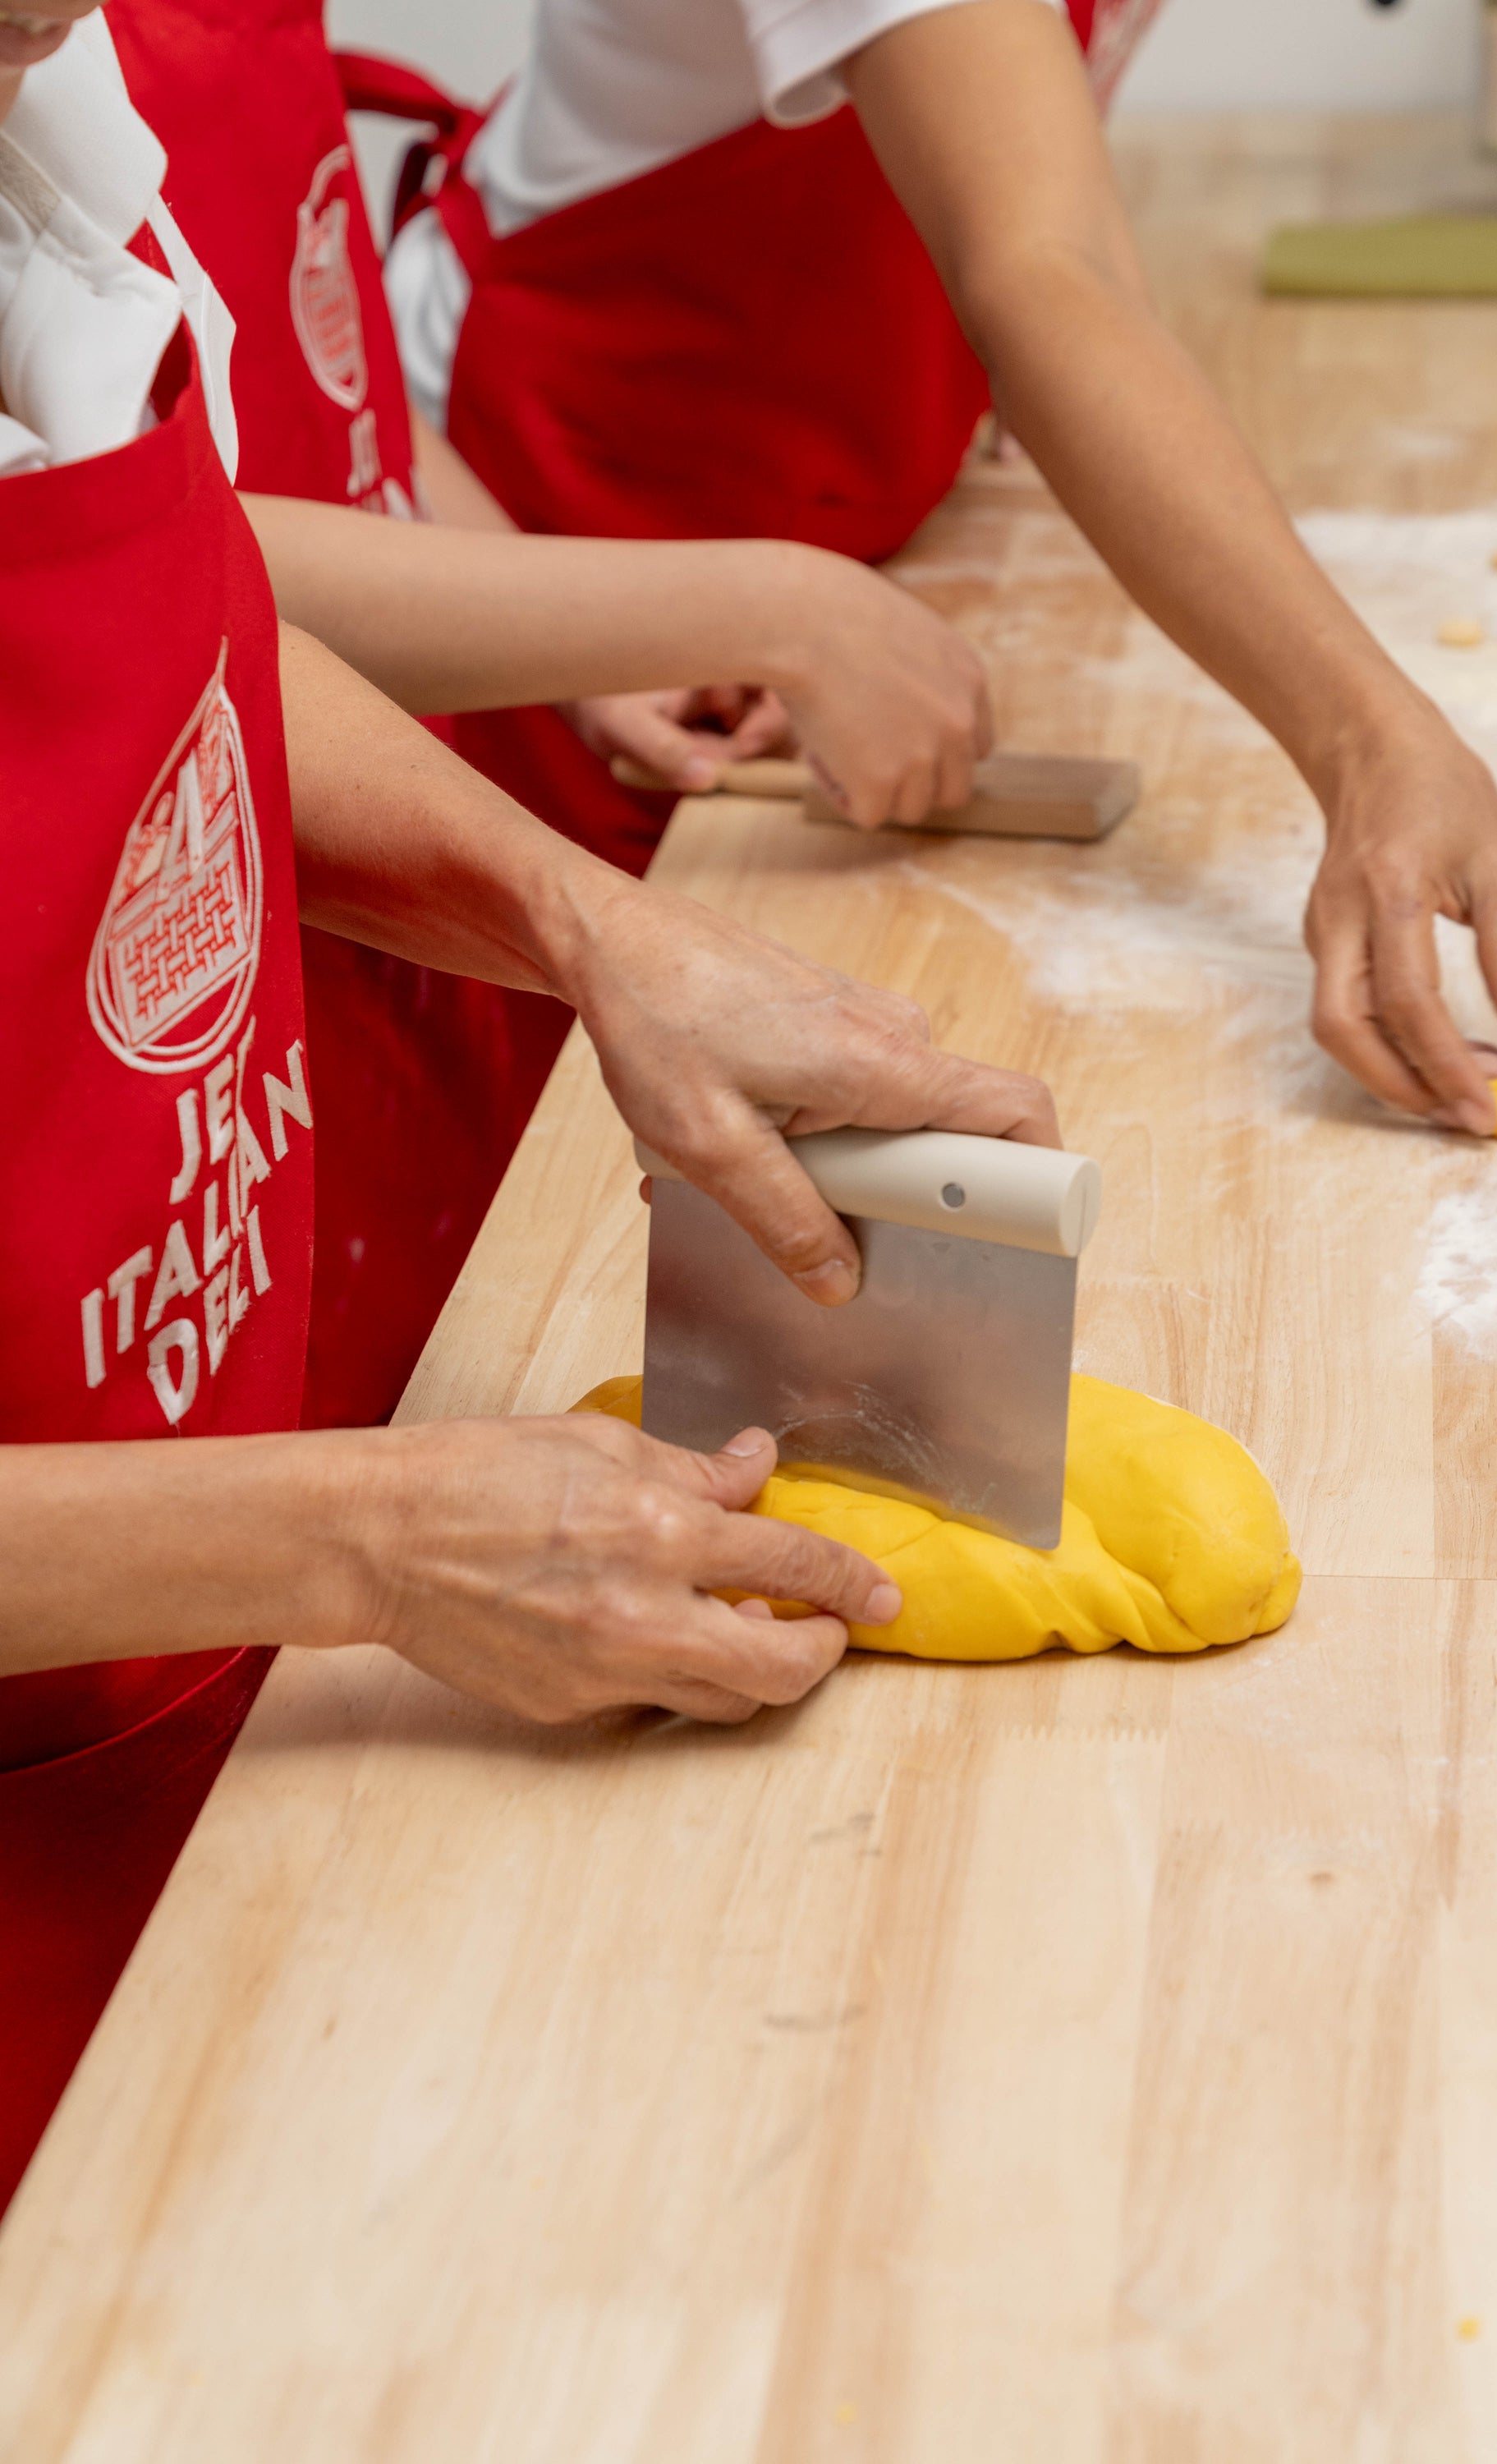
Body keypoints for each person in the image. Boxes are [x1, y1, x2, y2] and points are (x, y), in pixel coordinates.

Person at [0, 2, 1054, 2212]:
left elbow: (184, 599)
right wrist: (364, 1535)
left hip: (203, 1692)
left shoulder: (43, 145)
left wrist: (593, 932)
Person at [382, 0, 1497, 1140]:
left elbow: (1031, 191)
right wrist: (1371, 740)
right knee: (546, 1131)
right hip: (537, 519)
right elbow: (1051, 274)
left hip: (790, 509)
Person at [100, 0, 992, 1434]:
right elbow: (141, 557)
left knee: (443, 1341)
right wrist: (769, 605)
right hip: (167, 892)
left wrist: (557, 643)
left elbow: (338, 396)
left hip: (358, 803)